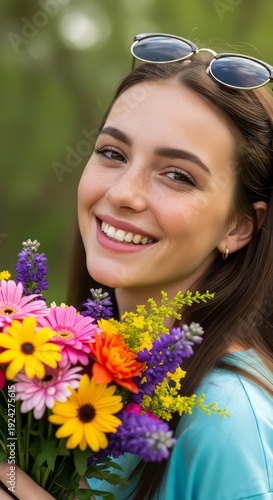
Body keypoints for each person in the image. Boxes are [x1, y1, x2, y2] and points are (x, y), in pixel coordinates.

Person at [1, 33, 273, 499]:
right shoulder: (72, 371)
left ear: (240, 226)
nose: (124, 193)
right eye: (112, 153)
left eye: (177, 175)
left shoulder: (223, 419)